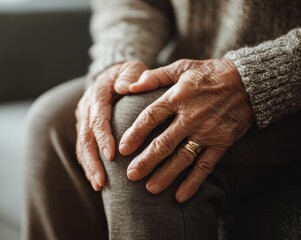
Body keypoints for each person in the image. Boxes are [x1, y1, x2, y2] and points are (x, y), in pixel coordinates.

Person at [21, 0, 301, 239]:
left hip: (288, 86)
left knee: (137, 134)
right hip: (193, 63)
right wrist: (119, 59)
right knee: (53, 120)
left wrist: (259, 78)